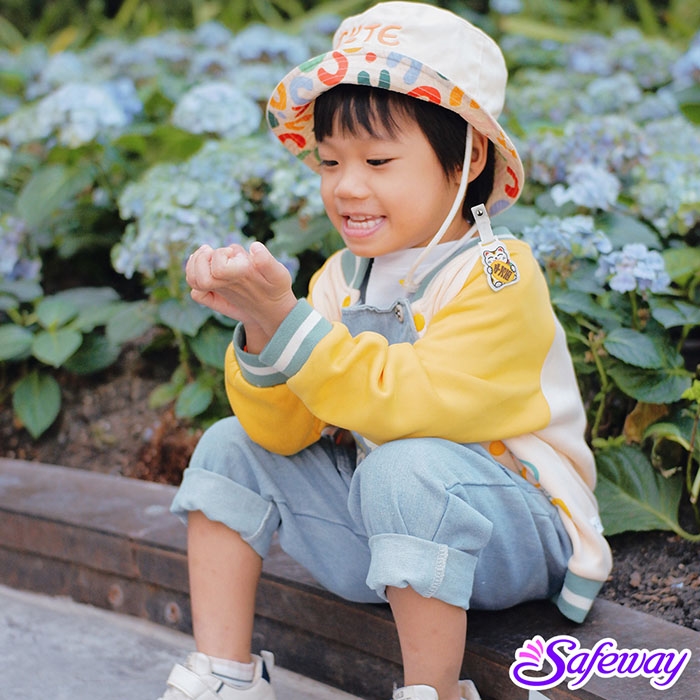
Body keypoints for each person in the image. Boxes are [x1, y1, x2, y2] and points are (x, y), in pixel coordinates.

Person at [158, 3, 613, 700]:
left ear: (469, 157)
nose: (347, 186)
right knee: (231, 445)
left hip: (513, 532)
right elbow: (282, 432)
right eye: (329, 160)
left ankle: (435, 692)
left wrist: (290, 324)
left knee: (406, 465)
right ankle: (225, 676)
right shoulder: (340, 277)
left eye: (378, 160)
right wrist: (262, 328)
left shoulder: (499, 271)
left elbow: (416, 402)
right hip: (386, 531)